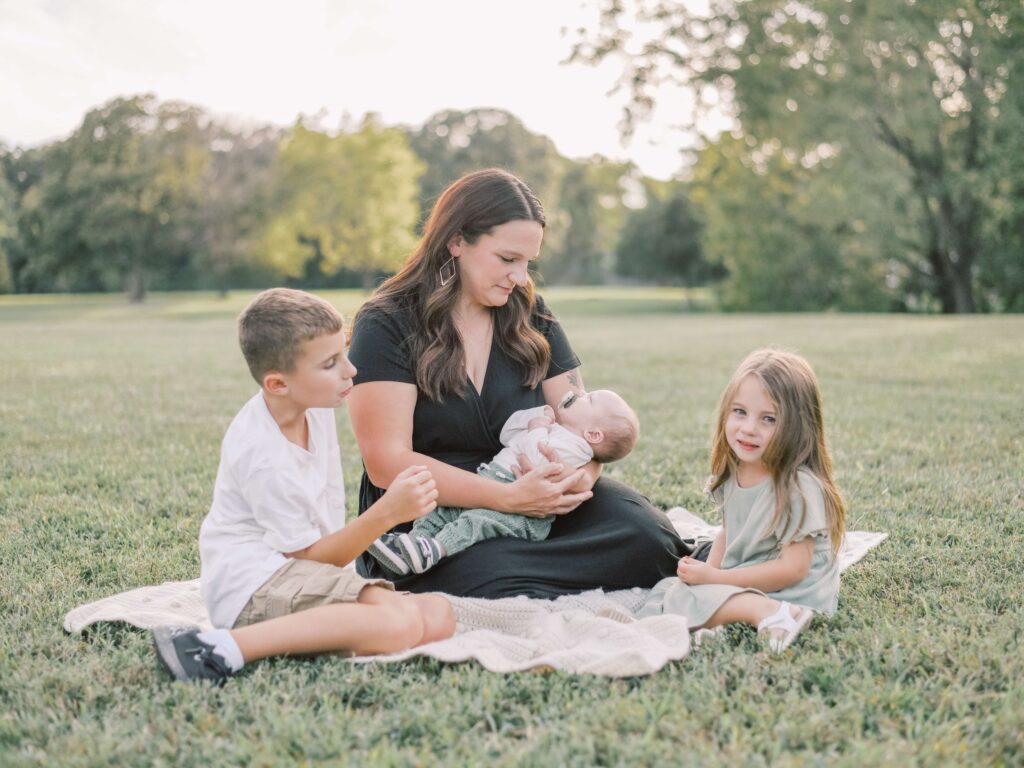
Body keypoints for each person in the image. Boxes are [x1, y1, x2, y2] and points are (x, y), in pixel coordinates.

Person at [346, 168, 686, 598]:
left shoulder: (530, 312)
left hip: (532, 499)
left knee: (649, 537)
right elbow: (386, 461)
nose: (521, 277)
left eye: (528, 263)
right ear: (456, 241)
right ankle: (489, 575)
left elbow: (576, 415)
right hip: (431, 511)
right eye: (507, 260)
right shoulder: (387, 323)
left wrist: (583, 474)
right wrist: (505, 499)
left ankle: (521, 578)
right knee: (481, 566)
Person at [152, 288, 455, 684]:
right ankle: (220, 649)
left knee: (438, 616)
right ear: (278, 384)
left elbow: (321, 529)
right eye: (330, 364)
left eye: (344, 353)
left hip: (297, 572)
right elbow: (309, 559)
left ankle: (321, 630)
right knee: (399, 624)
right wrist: (388, 513)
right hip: (254, 588)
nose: (351, 371)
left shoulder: (315, 407)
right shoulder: (263, 455)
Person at [638, 349, 847, 652]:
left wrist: (718, 578)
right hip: (754, 572)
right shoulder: (736, 469)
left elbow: (794, 570)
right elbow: (728, 530)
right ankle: (741, 607)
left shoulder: (797, 486)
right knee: (671, 592)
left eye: (768, 419)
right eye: (740, 412)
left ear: (797, 426)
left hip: (795, 591)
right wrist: (708, 577)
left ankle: (770, 613)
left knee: (678, 600)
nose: (749, 428)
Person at [367, 389, 639, 576]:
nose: (579, 394)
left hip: (524, 513)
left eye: (588, 399)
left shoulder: (577, 449)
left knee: (477, 522)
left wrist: (536, 428)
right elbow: (508, 434)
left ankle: (436, 548)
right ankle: (411, 547)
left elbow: (533, 452)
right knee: (444, 510)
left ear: (592, 434)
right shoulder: (557, 428)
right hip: (493, 480)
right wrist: (533, 419)